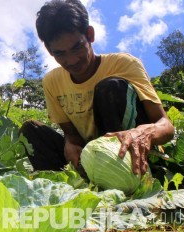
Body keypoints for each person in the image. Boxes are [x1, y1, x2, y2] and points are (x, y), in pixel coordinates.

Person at [21, 0, 174, 176]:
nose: (71, 60)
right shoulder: (52, 82)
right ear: (49, 50)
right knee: (31, 131)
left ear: (90, 35)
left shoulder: (124, 65)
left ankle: (133, 176)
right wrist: (70, 144)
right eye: (60, 53)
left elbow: (166, 126)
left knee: (109, 87)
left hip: (134, 154)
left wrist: (142, 133)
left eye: (77, 47)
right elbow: (71, 134)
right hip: (93, 156)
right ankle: (71, 185)